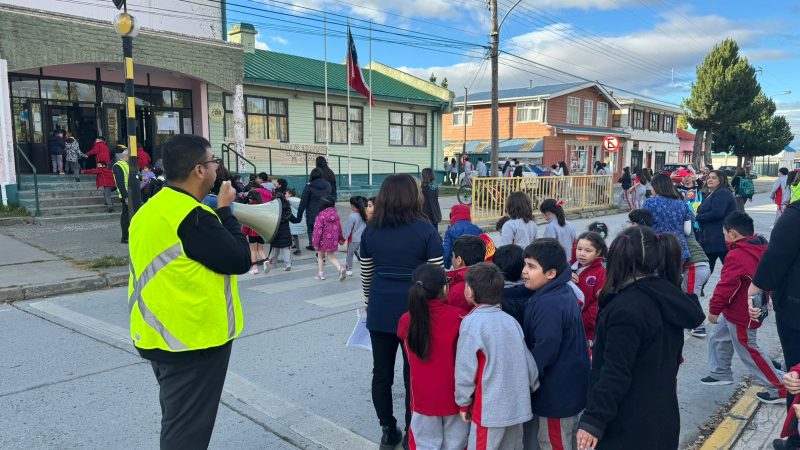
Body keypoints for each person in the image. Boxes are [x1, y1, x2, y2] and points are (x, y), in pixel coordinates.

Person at [128, 134, 251, 449]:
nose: (215, 169)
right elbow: (239, 259)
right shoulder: (193, 216)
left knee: (177, 418)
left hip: (157, 334)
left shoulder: (150, 209)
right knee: (187, 433)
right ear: (199, 170)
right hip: (192, 341)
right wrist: (225, 211)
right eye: (213, 162)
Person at [576, 227, 705, 450]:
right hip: (661, 414)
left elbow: (615, 371)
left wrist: (593, 421)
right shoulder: (668, 294)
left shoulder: (627, 308)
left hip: (629, 422)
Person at [360, 174, 444, 449]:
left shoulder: (371, 230)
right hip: (417, 310)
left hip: (381, 309)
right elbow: (437, 276)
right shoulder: (426, 230)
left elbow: (367, 275)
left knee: (381, 373)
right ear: (413, 196)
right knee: (414, 375)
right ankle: (411, 433)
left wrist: (370, 303)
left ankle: (387, 429)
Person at [702, 212, 787, 404]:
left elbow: (725, 287)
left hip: (742, 311)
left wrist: (714, 310)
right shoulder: (760, 245)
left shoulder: (736, 255)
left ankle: (779, 387)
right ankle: (720, 372)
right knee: (720, 336)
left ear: (732, 234)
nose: (723, 238)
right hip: (746, 306)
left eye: (724, 234)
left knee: (749, 350)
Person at [455, 263, 539, 450]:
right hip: (518, 405)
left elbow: (465, 368)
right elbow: (527, 360)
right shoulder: (510, 321)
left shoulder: (471, 323)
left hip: (489, 410)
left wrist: (463, 402)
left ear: (469, 291)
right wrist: (533, 385)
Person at [520, 238, 589, 450]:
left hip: (557, 394)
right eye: (525, 264)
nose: (524, 271)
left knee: (554, 442)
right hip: (568, 388)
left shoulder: (549, 303)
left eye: (531, 267)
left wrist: (527, 381)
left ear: (551, 273)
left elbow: (545, 349)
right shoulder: (558, 291)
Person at [397, 263, 469, 450]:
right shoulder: (459, 317)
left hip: (423, 399)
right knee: (456, 445)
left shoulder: (406, 320)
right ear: (445, 288)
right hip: (455, 398)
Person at [749, 190, 800, 450]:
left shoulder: (795, 217)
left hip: (795, 311)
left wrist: (755, 290)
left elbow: (775, 259)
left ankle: (795, 439)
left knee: (796, 376)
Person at [643, 173, 693, 262]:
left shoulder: (649, 203)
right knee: (675, 275)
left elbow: (643, 225)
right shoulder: (682, 203)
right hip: (679, 249)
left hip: (657, 248)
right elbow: (687, 231)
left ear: (656, 187)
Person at [696, 170, 737, 277]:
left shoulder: (722, 193)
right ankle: (697, 290)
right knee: (705, 268)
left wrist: (698, 217)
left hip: (720, 237)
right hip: (710, 237)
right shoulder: (712, 193)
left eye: (714, 178)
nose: (709, 179)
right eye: (708, 177)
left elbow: (717, 213)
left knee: (729, 270)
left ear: (721, 180)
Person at [572, 231, 607, 351]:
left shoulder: (601, 272)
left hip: (586, 327)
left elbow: (598, 303)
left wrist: (582, 320)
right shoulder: (569, 267)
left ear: (598, 252)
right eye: (579, 249)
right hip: (570, 320)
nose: (582, 254)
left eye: (588, 251)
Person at [291, 168, 333, 251]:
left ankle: (313, 244)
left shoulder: (309, 186)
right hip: (326, 211)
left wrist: (299, 217)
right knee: (324, 229)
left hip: (312, 213)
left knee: (311, 229)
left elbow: (303, 202)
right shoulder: (328, 185)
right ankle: (323, 246)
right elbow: (330, 198)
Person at [445, 235, 486, 312]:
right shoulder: (491, 280)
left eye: (453, 256)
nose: (452, 259)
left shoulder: (456, 291)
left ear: (459, 260)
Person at [684, 230, 712, 338]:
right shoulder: (690, 236)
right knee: (688, 293)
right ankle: (689, 320)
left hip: (695, 269)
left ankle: (698, 327)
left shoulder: (680, 238)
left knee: (692, 298)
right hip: (704, 267)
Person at [312, 195, 346, 281]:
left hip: (322, 240)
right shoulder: (336, 215)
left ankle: (321, 274)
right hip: (333, 240)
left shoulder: (321, 216)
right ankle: (340, 268)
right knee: (331, 256)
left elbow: (317, 231)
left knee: (320, 256)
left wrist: (315, 243)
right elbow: (339, 228)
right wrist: (340, 239)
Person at [443, 204, 482, 269]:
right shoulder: (478, 230)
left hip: (457, 265)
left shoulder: (450, 231)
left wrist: (447, 266)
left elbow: (446, 251)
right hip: (475, 266)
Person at [266, 188, 295, 272]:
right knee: (286, 249)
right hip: (285, 233)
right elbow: (294, 220)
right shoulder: (287, 210)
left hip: (275, 232)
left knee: (275, 249)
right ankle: (288, 264)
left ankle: (273, 263)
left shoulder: (272, 211)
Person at [540, 198, 577, 262]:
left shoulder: (551, 227)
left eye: (543, 215)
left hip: (558, 261)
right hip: (571, 259)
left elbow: (546, 246)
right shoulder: (569, 224)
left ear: (547, 213)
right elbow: (575, 241)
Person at [242, 190, 269, 275]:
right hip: (260, 232)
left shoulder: (249, 208)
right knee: (260, 249)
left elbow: (247, 223)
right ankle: (266, 262)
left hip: (252, 233)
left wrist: (243, 234)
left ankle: (255, 268)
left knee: (253, 250)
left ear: (250, 198)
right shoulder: (262, 206)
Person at [343, 196, 367, 276]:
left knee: (349, 255)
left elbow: (347, 229)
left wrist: (343, 239)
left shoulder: (352, 216)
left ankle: (349, 269)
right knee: (362, 254)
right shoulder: (364, 214)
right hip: (363, 239)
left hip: (353, 240)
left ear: (353, 205)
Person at [112, 149, 131, 244]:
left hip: (130, 193)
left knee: (129, 215)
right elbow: (120, 183)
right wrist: (125, 196)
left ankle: (128, 236)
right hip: (126, 194)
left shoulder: (127, 165)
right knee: (126, 216)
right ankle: (125, 237)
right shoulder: (118, 166)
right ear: (126, 156)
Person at [286, 188, 306, 256]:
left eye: (286, 193)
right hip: (299, 219)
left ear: (290, 194)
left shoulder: (288, 201)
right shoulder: (299, 200)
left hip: (292, 220)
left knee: (294, 235)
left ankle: (298, 250)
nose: (285, 195)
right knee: (294, 235)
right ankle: (295, 245)